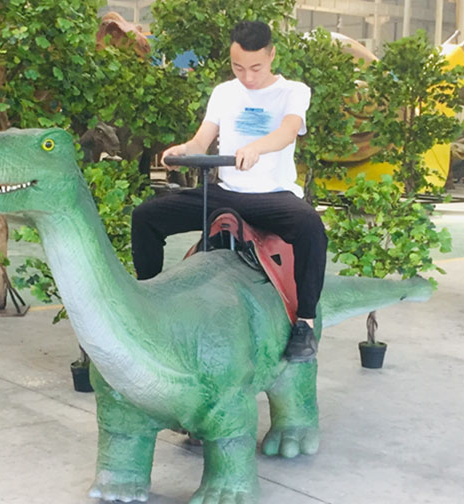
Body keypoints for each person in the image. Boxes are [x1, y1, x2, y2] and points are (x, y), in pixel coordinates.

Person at [131, 20, 327, 362]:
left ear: (271, 55)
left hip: (273, 195)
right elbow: (200, 141)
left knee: (312, 228)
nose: (247, 77)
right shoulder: (224, 92)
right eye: (238, 67)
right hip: (226, 193)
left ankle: (305, 323)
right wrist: (182, 151)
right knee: (145, 217)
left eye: (256, 68)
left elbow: (287, 132)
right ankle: (149, 301)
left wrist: (257, 148)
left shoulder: (294, 92)